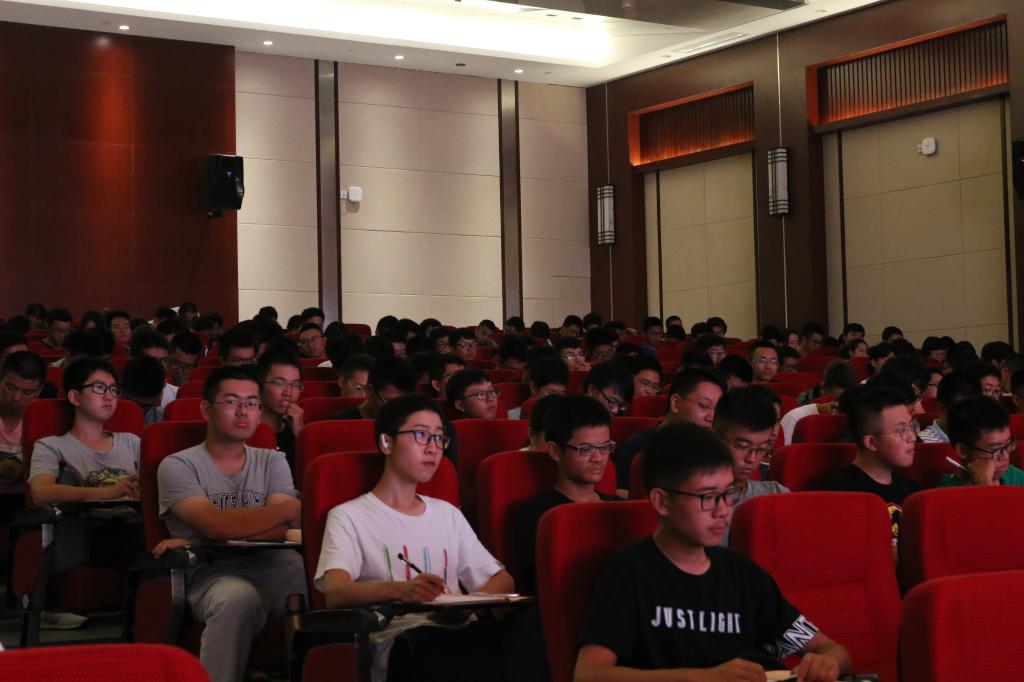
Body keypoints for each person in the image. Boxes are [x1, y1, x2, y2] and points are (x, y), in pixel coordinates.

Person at [575, 421, 851, 681]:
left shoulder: (745, 575)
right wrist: (697, 677)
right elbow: (589, 674)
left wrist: (827, 662)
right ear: (662, 501)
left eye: (728, 494)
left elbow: (832, 650)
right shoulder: (629, 572)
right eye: (708, 497)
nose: (723, 511)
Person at [315, 394, 518, 682]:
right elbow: (336, 592)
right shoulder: (349, 516)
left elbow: (502, 580)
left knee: (530, 629)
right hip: (404, 638)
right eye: (421, 435)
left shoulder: (447, 513)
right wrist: (401, 591)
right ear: (386, 442)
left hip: (463, 632)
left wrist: (466, 604)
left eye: (439, 438)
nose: (433, 448)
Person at [156, 366, 306, 682]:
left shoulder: (273, 460)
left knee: (330, 587)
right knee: (237, 599)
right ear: (206, 409)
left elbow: (283, 527)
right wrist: (286, 511)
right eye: (231, 401)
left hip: (279, 566)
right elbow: (215, 525)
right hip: (213, 573)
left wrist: (217, 530)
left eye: (252, 403)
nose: (243, 411)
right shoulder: (178, 465)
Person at [28, 356, 144, 630]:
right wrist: (110, 492)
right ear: (74, 396)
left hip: (133, 523)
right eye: (99, 388)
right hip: (87, 530)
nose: (110, 396)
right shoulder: (52, 446)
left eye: (114, 389)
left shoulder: (131, 442)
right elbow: (41, 492)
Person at [514, 395, 618, 595]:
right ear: (554, 451)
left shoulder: (620, 507)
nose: (598, 458)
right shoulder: (537, 513)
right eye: (585, 449)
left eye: (605, 447)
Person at [822, 386, 921, 548]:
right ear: (871, 442)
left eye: (911, 427)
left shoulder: (913, 492)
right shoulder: (839, 494)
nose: (912, 437)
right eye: (901, 430)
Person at [612, 367, 725, 494]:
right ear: (675, 403)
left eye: (717, 410)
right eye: (704, 406)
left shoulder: (715, 450)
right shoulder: (637, 447)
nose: (711, 418)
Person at [712, 388, 789, 546]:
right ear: (714, 438)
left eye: (761, 449)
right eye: (742, 446)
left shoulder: (777, 494)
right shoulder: (694, 501)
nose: (752, 459)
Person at [939, 396, 1024, 486]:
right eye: (995, 449)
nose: (1005, 456)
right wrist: (984, 484)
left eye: (1008, 445)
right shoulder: (945, 490)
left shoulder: (1013, 475)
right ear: (962, 450)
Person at [0, 351, 46, 482]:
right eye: (10, 388)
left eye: (27, 392)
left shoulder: (46, 420)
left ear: (39, 391)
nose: (16, 397)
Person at [258, 351, 304, 471]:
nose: (288, 392)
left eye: (296, 384)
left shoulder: (297, 429)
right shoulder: (243, 430)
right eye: (279, 383)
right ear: (260, 385)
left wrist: (300, 434)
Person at [332, 357, 418, 420]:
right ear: (369, 390)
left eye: (405, 403)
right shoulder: (339, 424)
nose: (398, 411)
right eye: (390, 402)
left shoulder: (411, 424)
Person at [917, 372, 981, 444]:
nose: (969, 419)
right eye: (962, 413)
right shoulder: (923, 444)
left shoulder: (981, 440)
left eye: (974, 412)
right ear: (941, 409)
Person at [121, 356, 167, 424]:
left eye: (146, 407)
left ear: (164, 386)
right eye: (133, 404)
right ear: (121, 390)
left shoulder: (168, 418)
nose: (139, 412)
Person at [163, 331, 203, 407]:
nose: (180, 371)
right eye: (176, 363)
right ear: (167, 356)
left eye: (188, 367)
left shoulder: (196, 392)